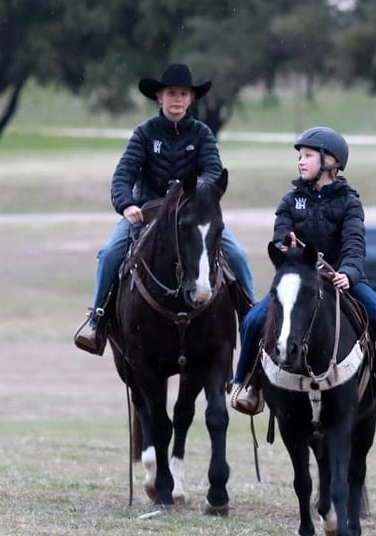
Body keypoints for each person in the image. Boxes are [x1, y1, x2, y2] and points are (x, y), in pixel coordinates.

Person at [231, 126, 376, 417]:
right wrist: (284, 246)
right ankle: (249, 382)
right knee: (253, 320)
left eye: (307, 156)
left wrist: (349, 273)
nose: (300, 162)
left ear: (330, 161)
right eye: (299, 157)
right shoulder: (290, 201)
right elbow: (280, 235)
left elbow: (355, 244)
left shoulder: (350, 202)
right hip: (300, 281)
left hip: (341, 280)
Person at [74, 63, 255, 354]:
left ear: (191, 99)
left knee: (237, 254)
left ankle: (251, 321)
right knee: (109, 254)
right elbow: (123, 175)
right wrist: (127, 204)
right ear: (159, 97)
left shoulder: (202, 134)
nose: (177, 99)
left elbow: (213, 170)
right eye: (171, 93)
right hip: (147, 212)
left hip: (193, 214)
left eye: (183, 94)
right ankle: (96, 320)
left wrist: (197, 193)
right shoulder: (145, 134)